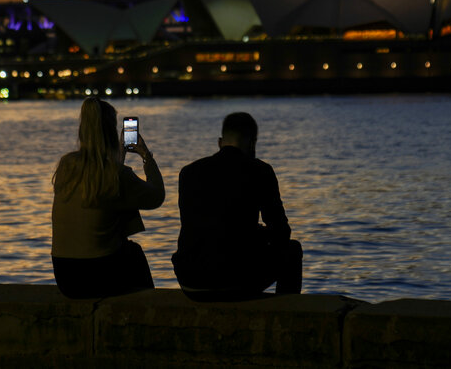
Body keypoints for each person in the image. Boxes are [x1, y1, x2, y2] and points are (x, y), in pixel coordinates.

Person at [172, 111, 302, 301]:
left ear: (220, 142)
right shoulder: (260, 171)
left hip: (190, 281)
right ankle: (286, 312)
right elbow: (281, 232)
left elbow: (200, 226)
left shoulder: (188, 172)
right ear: (252, 143)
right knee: (292, 250)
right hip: (233, 280)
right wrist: (258, 234)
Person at [51, 97, 164, 298]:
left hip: (65, 276)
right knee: (134, 252)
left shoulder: (66, 166)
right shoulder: (117, 175)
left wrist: (120, 155)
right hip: (98, 275)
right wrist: (146, 156)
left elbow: (102, 187)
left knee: (119, 204)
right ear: (111, 131)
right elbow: (156, 196)